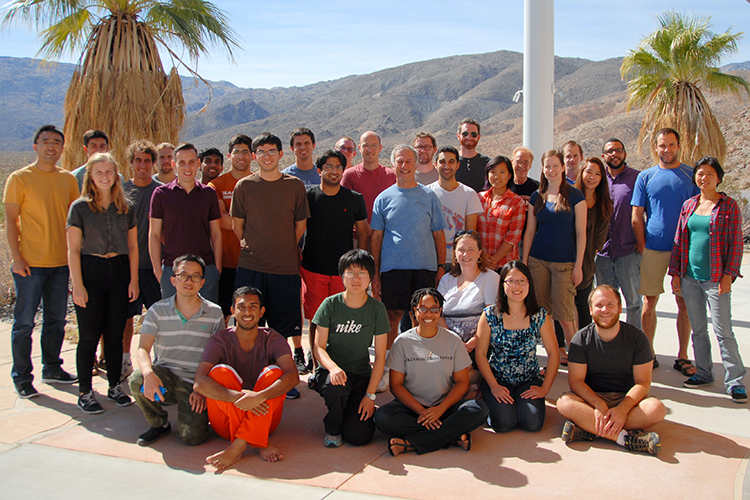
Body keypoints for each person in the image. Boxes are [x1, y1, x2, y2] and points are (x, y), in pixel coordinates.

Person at [231, 132, 310, 398]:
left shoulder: (295, 185)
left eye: (272, 151)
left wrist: (283, 247)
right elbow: (237, 226)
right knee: (247, 324)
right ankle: (249, 379)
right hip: (250, 267)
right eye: (261, 152)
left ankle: (280, 381)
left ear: (280, 154)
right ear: (255, 156)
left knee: (280, 329)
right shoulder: (244, 186)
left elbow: (300, 226)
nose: (267, 156)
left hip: (284, 268)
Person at [4, 124, 79, 398]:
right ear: (35, 146)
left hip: (60, 264)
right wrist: (17, 257)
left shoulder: (68, 180)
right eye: (46, 141)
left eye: (56, 142)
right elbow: (11, 222)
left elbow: (74, 222)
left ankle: (52, 367)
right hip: (30, 265)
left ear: (62, 148)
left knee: (56, 320)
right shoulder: (19, 178)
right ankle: (22, 376)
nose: (51, 146)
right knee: (24, 323)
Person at [193, 287, 300, 470]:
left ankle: (238, 446)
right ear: (233, 311)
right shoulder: (220, 340)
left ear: (262, 312)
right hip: (226, 422)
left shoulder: (272, 338)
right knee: (220, 372)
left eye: (253, 306)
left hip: (266, 420)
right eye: (241, 307)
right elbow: (200, 382)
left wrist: (259, 396)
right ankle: (258, 441)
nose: (247, 312)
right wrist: (239, 398)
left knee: (275, 373)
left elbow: (293, 376)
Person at [373, 288, 489, 456]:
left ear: (440, 311)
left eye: (434, 309)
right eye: (423, 308)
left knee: (479, 409)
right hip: (413, 409)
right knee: (382, 417)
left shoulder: (453, 340)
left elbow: (463, 383)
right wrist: (423, 412)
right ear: (414, 311)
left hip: (446, 406)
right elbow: (396, 385)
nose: (429, 314)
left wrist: (440, 410)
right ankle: (450, 436)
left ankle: (411, 444)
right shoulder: (402, 342)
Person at [668, 157, 746, 403]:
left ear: (718, 178)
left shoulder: (728, 206)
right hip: (690, 278)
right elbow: (679, 242)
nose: (704, 178)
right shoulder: (689, 205)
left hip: (716, 279)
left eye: (710, 174)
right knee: (699, 329)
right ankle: (704, 373)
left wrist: (728, 275)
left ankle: (735, 381)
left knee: (723, 331)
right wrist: (676, 274)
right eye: (700, 174)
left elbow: (736, 244)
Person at [556, 285, 666, 455]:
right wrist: (599, 404)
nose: (605, 310)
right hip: (591, 400)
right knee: (564, 403)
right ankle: (624, 438)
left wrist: (623, 409)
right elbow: (575, 381)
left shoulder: (637, 338)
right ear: (591, 310)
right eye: (599, 306)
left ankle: (588, 428)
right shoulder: (581, 339)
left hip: (626, 399)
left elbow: (643, 382)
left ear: (620, 308)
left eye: (610, 305)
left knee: (656, 409)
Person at [67, 152, 138, 413]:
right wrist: (78, 284)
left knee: (115, 333)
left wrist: (133, 280)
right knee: (88, 336)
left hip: (119, 271)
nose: (105, 177)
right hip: (91, 271)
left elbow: (132, 246)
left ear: (116, 175)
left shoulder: (125, 207)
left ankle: (114, 386)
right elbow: (73, 249)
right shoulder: (80, 207)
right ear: (91, 176)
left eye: (109, 172)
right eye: (99, 172)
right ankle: (85, 391)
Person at [129, 254, 223, 446]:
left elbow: (218, 356)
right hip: (165, 377)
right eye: (183, 275)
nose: (189, 281)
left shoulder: (214, 313)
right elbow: (142, 349)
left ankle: (198, 416)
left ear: (202, 282)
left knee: (192, 438)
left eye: (195, 276)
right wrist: (148, 373)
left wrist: (203, 388)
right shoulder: (157, 310)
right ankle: (159, 424)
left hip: (195, 381)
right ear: (173, 280)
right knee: (137, 379)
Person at [631, 128, 698, 368]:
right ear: (655, 147)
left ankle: (682, 356)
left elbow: (701, 212)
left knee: (684, 303)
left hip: (684, 251)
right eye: (662, 145)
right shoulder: (646, 177)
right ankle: (649, 354)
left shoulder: (691, 176)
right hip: (653, 249)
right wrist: (642, 245)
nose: (666, 150)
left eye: (671, 145)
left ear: (679, 146)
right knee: (649, 302)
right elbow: (636, 215)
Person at [370, 145, 447, 355]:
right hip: (392, 269)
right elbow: (376, 238)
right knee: (391, 318)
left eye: (409, 161)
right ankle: (386, 365)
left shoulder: (430, 197)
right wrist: (375, 273)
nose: (404, 166)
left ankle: (419, 364)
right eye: (400, 161)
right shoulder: (383, 199)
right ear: (393, 164)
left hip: (424, 268)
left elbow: (439, 235)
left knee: (421, 318)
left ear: (416, 164)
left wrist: (440, 267)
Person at [312, 250, 389, 447]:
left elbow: (380, 357)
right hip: (332, 373)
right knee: (336, 387)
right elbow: (319, 347)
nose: (356, 278)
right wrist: (332, 368)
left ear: (370, 277)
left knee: (359, 436)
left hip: (360, 375)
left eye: (362, 273)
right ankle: (333, 427)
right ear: (342, 277)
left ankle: (349, 409)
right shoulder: (329, 305)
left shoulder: (377, 309)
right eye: (350, 273)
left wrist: (370, 396)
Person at [302, 150, 368, 377]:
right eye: (328, 166)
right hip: (313, 268)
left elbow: (363, 233)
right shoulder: (308, 197)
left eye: (338, 166)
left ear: (343, 169)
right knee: (316, 319)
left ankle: (344, 364)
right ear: (319, 170)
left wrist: (361, 265)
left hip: (345, 272)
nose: (333, 171)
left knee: (345, 318)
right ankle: (316, 367)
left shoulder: (354, 198)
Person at [475, 260, 559, 432]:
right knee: (504, 423)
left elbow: (553, 353)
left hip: (528, 379)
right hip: (497, 379)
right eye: (511, 281)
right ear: (503, 285)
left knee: (532, 423)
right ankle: (487, 398)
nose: (517, 286)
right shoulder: (490, 315)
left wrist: (545, 388)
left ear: (529, 284)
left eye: (522, 280)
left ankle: (519, 404)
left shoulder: (539, 315)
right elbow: (481, 354)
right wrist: (494, 386)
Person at [522, 149, 586, 363]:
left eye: (555, 166)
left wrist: (578, 266)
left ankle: (578, 361)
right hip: (538, 261)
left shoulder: (575, 195)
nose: (551, 170)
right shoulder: (536, 196)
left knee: (566, 317)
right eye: (547, 166)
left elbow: (581, 233)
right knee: (543, 314)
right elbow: (530, 231)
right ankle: (554, 356)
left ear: (562, 167)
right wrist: (524, 262)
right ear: (543, 169)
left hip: (564, 264)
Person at [149, 143, 222, 302]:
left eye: (191, 162)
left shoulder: (208, 193)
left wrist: (217, 268)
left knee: (206, 323)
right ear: (174, 165)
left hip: (205, 269)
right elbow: (154, 234)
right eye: (181, 162)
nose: (187, 167)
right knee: (173, 322)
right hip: (172, 271)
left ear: (198, 163)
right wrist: (158, 271)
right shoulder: (161, 194)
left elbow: (215, 233)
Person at [122, 140, 163, 381]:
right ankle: (125, 360)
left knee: (157, 317)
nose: (143, 165)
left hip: (153, 266)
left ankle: (159, 360)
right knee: (126, 316)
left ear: (153, 163)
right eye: (138, 160)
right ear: (131, 163)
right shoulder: (122, 192)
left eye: (147, 160)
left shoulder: (161, 191)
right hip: (127, 267)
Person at [595, 139, 643, 330]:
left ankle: (634, 346)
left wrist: (642, 244)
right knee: (604, 304)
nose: (614, 154)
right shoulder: (598, 179)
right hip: (603, 254)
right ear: (603, 156)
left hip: (629, 252)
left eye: (618, 150)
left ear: (624, 153)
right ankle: (607, 342)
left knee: (633, 303)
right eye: (609, 151)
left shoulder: (638, 178)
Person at [208, 134, 253, 321]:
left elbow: (229, 221)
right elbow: (219, 219)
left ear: (252, 155)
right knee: (224, 315)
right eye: (236, 152)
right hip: (226, 260)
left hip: (253, 261)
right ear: (229, 156)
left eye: (245, 151)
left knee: (252, 313)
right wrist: (253, 223)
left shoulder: (261, 183)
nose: (241, 156)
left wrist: (233, 220)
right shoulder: (216, 185)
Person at [437, 231, 499, 363]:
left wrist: (472, 343)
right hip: (448, 343)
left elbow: (491, 316)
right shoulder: (446, 279)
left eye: (471, 249)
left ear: (480, 253)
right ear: (455, 253)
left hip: (478, 345)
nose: (466, 254)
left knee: (462, 371)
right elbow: (437, 313)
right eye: (461, 250)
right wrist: (454, 342)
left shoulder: (490, 278)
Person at [427, 146, 482, 270]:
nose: (446, 166)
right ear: (435, 164)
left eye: (451, 162)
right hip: (432, 262)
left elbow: (471, 234)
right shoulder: (427, 193)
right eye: (442, 162)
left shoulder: (469, 194)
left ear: (458, 165)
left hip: (460, 262)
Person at [573, 158, 612, 328]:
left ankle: (585, 343)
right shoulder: (569, 198)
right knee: (562, 305)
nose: (592, 177)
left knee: (582, 304)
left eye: (597, 174)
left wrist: (581, 264)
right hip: (564, 258)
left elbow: (598, 243)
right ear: (581, 173)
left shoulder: (604, 205)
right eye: (589, 171)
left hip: (586, 262)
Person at [340, 131, 396, 251]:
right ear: (360, 148)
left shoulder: (391, 176)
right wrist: (364, 227)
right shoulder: (349, 175)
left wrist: (379, 229)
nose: (369, 149)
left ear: (380, 148)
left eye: (374, 145)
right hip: (356, 239)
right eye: (365, 145)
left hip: (385, 239)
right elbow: (344, 208)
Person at [477, 155, 526, 271]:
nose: (497, 176)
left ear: (509, 175)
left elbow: (513, 237)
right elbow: (473, 230)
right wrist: (482, 255)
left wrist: (493, 261)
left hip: (505, 265)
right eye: (493, 172)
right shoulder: (478, 198)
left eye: (502, 172)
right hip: (479, 262)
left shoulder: (517, 202)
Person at [456, 119, 490, 192]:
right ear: (458, 136)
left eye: (473, 134)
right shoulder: (451, 162)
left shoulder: (487, 163)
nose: (469, 137)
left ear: (479, 137)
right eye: (465, 134)